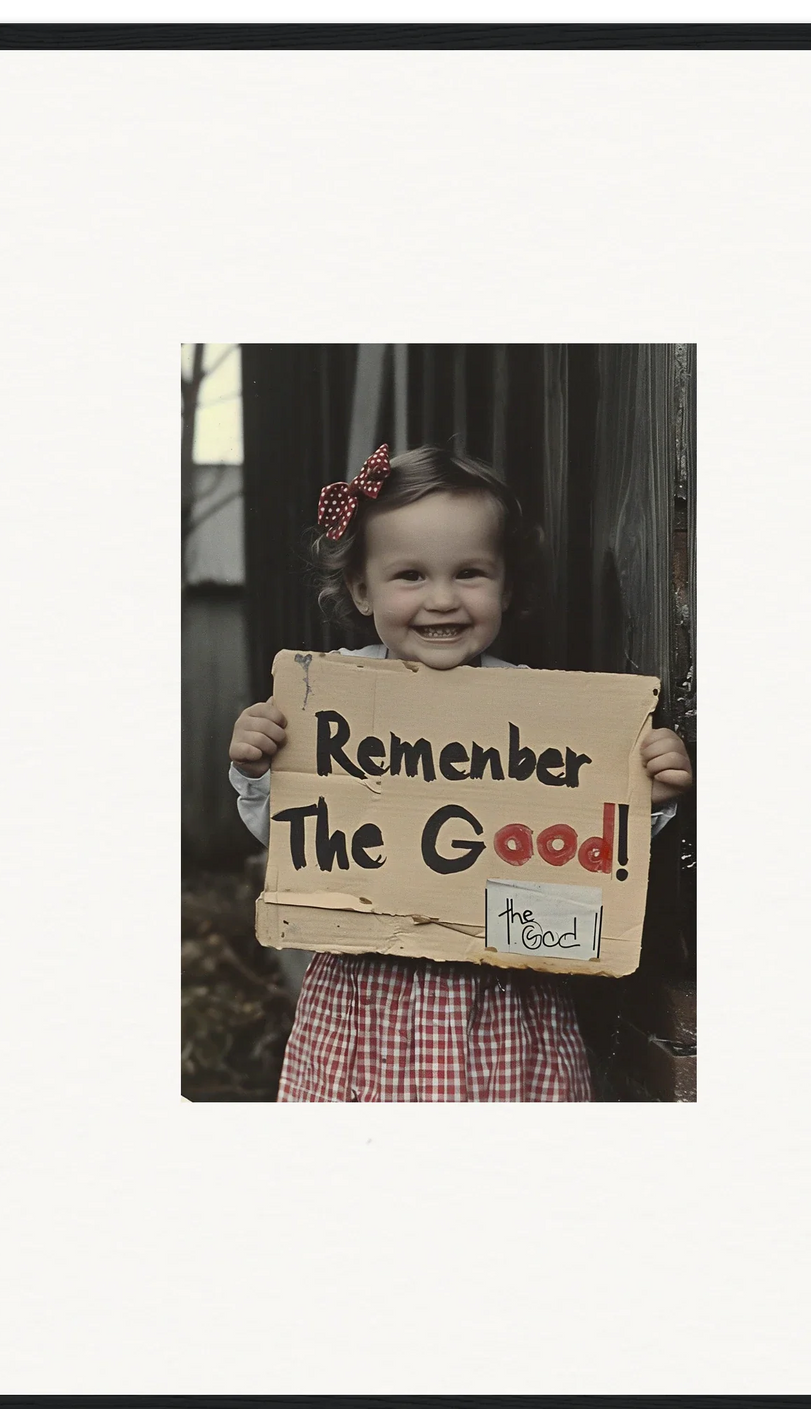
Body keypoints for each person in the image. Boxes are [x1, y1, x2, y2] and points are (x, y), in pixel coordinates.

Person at [228, 443, 693, 1101]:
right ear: (361, 587)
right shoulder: (328, 697)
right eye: (410, 575)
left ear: (505, 583)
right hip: (367, 1003)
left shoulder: (543, 713)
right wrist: (258, 766)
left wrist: (651, 792)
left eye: (469, 572)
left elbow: (586, 853)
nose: (441, 599)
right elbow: (291, 836)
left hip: (502, 1001)